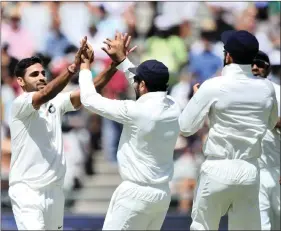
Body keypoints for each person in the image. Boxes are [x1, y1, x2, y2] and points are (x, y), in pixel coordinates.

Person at [8, 35, 134, 230]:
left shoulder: (55, 102)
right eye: (34, 75)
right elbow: (44, 93)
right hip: (27, 191)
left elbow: (89, 91)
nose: (41, 77)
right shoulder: (20, 104)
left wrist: (115, 64)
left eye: (42, 73)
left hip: (54, 192)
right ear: (20, 81)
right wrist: (73, 68)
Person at [78, 32, 181, 230]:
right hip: (161, 195)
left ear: (142, 85)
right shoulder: (174, 106)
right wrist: (123, 60)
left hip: (135, 195)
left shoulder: (135, 111)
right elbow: (140, 81)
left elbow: (89, 100)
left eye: (138, 81)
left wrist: (84, 68)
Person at [178, 30, 278, 230]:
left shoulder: (212, 86)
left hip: (218, 168)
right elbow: (271, 122)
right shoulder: (267, 89)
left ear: (228, 56)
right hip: (250, 171)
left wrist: (200, 101)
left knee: (203, 227)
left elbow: (185, 127)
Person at [252, 50, 280, 230]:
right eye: (251, 64)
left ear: (268, 69)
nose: (255, 67)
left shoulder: (278, 92)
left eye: (260, 64)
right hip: (252, 170)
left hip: (276, 168)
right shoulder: (236, 92)